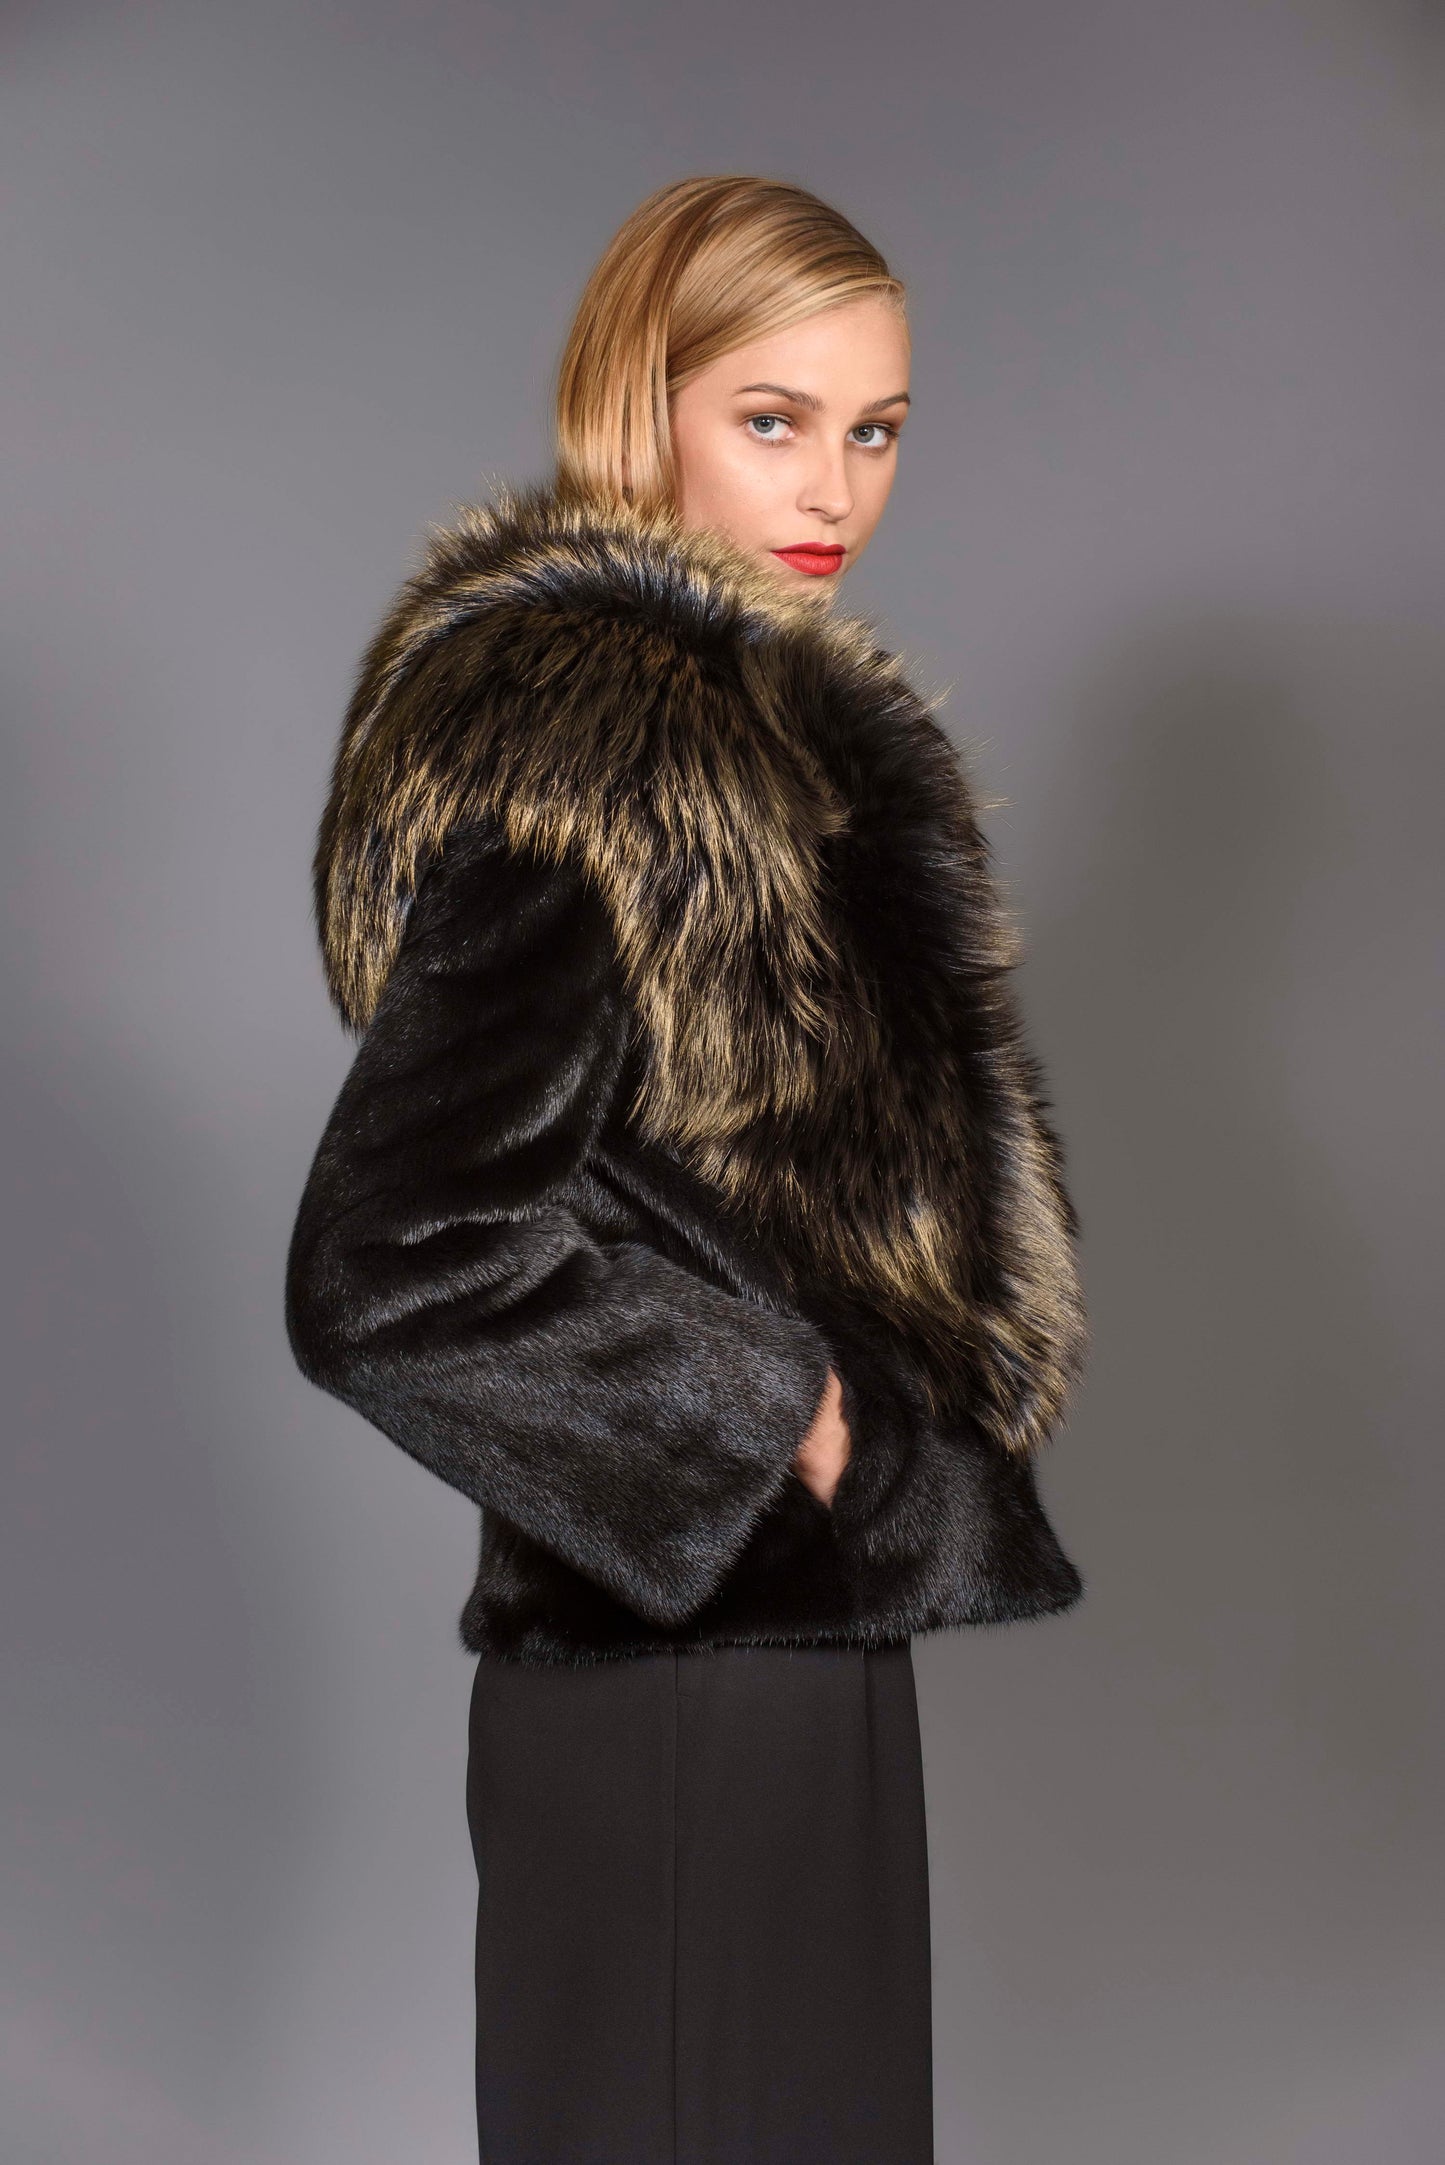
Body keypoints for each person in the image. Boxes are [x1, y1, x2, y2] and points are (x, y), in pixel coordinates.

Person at [285, 173, 1091, 2165]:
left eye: (875, 428)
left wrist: (839, 1470)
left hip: (791, 1645)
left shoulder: (767, 759)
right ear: (636, 404)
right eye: (772, 417)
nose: (834, 485)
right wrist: (783, 1421)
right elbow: (393, 1260)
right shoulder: (603, 758)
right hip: (673, 1679)